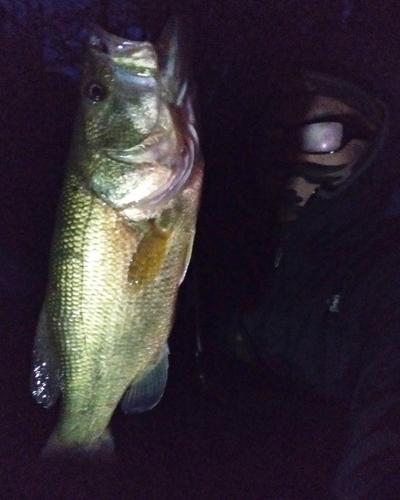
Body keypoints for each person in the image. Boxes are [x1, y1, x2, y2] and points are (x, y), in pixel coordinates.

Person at [196, 4, 400, 499]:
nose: (290, 153)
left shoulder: (385, 274)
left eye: (321, 132)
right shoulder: (210, 240)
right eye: (276, 128)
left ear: (377, 142)